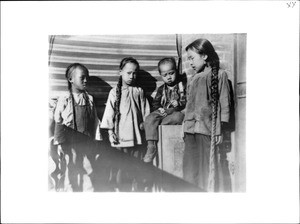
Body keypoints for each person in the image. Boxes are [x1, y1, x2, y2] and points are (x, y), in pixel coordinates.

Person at [182, 38, 231, 192]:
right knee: (190, 169)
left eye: (192, 58)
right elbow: (189, 106)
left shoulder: (220, 75)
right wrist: (184, 125)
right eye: (188, 59)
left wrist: (218, 130)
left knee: (207, 169)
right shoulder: (194, 78)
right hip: (190, 130)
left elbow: (224, 105)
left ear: (204, 56)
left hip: (207, 130)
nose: (190, 62)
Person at [100, 57, 150, 191]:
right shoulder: (114, 93)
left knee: (136, 166)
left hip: (137, 137)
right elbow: (109, 113)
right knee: (122, 167)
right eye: (128, 73)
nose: (132, 76)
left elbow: (146, 111)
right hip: (120, 137)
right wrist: (110, 133)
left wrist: (145, 124)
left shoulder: (139, 91)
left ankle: (136, 190)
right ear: (120, 72)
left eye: (134, 73)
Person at [53, 63, 102, 192]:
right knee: (71, 169)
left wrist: (96, 140)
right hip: (69, 143)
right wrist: (59, 143)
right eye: (82, 77)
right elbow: (58, 120)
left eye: (87, 77)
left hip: (86, 141)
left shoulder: (89, 99)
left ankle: (88, 193)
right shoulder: (65, 99)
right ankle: (69, 193)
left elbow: (96, 121)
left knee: (88, 169)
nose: (86, 80)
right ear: (71, 80)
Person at [143, 57, 186, 163]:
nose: (169, 77)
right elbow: (155, 103)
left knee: (179, 117)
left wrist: (179, 103)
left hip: (174, 112)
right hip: (163, 112)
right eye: (165, 75)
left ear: (176, 71)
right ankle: (151, 147)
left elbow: (187, 101)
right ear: (161, 76)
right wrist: (159, 108)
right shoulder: (161, 89)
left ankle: (149, 125)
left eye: (171, 73)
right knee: (151, 117)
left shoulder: (182, 86)